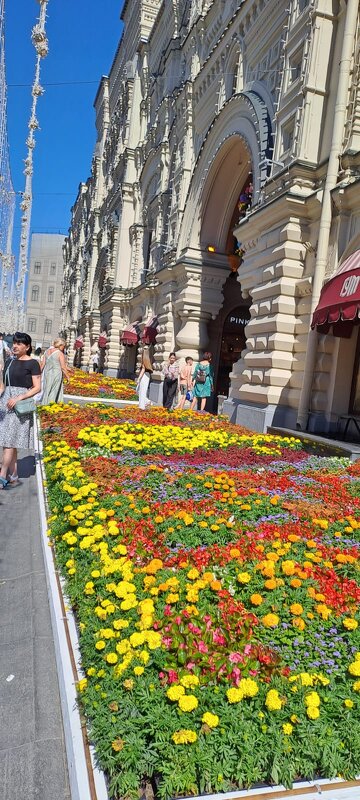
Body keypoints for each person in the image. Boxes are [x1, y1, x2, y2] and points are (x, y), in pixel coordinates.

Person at [0, 332, 41, 489]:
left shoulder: (33, 363)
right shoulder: (10, 361)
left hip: (20, 405)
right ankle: (14, 476)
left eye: (19, 343)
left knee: (8, 442)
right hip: (6, 403)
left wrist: (19, 397)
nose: (15, 345)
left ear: (27, 346)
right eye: (14, 343)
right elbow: (4, 384)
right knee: (10, 441)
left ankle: (2, 475)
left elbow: (38, 387)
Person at [41, 337, 72, 405]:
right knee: (54, 391)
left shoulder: (46, 351)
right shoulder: (60, 353)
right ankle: (50, 406)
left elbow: (42, 364)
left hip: (47, 373)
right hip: (56, 374)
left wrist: (38, 374)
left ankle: (44, 404)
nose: (64, 348)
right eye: (64, 346)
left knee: (47, 389)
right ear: (60, 345)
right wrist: (68, 377)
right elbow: (63, 367)